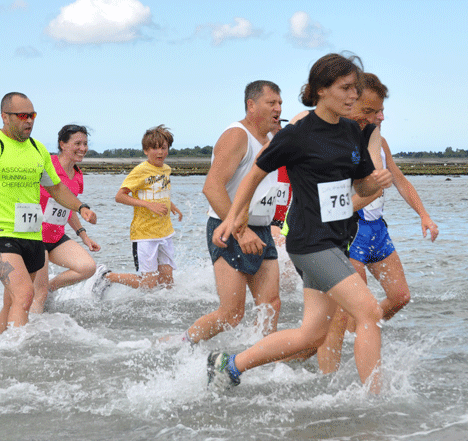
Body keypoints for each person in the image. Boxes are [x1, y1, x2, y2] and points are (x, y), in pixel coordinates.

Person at [207, 53, 393, 394]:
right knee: (368, 311)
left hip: (336, 240)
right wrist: (234, 219)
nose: (354, 96)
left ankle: (230, 364)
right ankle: (376, 402)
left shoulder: (352, 130)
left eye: (357, 89)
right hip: (310, 242)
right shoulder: (298, 133)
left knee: (312, 334)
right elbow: (254, 174)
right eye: (347, 88)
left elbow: (361, 184)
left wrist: (376, 182)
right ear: (321, 90)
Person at [312, 72, 439, 373]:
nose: (378, 116)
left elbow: (397, 178)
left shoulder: (377, 138)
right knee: (348, 312)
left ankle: (355, 338)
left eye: (378, 111)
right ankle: (330, 378)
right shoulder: (333, 141)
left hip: (376, 229)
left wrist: (423, 214)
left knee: (399, 297)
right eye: (369, 110)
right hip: (349, 229)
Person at [0, 92, 97, 333]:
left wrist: (81, 207)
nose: (29, 121)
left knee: (12, 302)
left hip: (33, 237)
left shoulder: (38, 149)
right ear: (5, 116)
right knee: (26, 295)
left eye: (32, 115)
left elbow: (56, 188)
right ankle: (16, 355)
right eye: (23, 115)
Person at [183, 81, 283, 345]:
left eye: (280, 103)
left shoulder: (274, 138)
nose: (278, 108)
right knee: (231, 314)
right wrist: (240, 230)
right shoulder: (237, 135)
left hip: (261, 228)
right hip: (228, 227)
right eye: (271, 103)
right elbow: (212, 187)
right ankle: (183, 343)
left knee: (270, 305)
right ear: (251, 106)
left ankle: (257, 360)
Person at [99, 125, 182, 291]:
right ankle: (107, 276)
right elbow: (120, 196)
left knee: (167, 284)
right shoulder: (140, 170)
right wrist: (149, 205)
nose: (160, 152)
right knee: (149, 285)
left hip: (165, 232)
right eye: (155, 148)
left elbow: (157, 192)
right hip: (144, 235)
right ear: (145, 150)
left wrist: (171, 206)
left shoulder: (166, 169)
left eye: (163, 148)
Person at [29, 125, 100, 313]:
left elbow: (69, 207)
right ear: (62, 144)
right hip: (33, 235)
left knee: (87, 267)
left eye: (85, 144)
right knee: (38, 294)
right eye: (77, 143)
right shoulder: (47, 164)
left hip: (56, 237)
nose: (82, 148)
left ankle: (51, 287)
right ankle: (30, 335)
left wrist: (83, 235)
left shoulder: (77, 175)